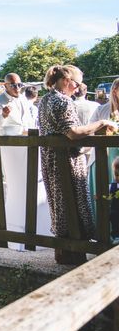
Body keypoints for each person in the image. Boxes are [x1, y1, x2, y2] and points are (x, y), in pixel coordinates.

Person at [38, 65, 114, 264]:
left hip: (50, 159)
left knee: (59, 203)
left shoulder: (45, 99)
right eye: (78, 83)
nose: (79, 87)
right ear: (66, 81)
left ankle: (63, 252)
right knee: (73, 203)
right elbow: (73, 133)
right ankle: (74, 254)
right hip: (67, 161)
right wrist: (100, 124)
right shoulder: (62, 101)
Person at [87, 78, 119, 221]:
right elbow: (89, 130)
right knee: (104, 193)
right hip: (103, 157)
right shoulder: (101, 110)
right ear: (115, 91)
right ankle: (104, 229)